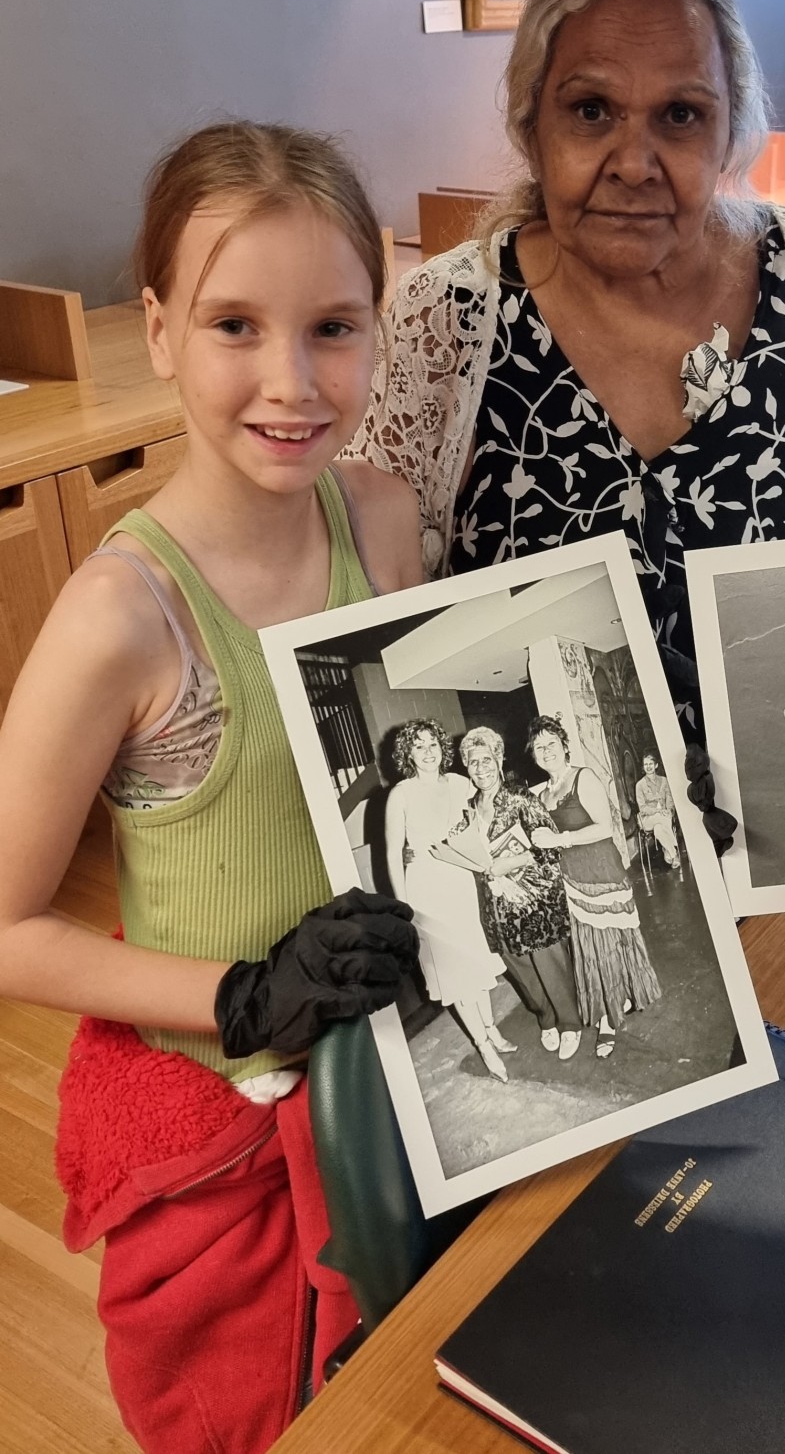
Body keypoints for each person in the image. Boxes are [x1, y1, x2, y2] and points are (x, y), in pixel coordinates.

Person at [0, 121, 425, 1454]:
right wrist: (243, 996)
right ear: (160, 330)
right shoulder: (120, 616)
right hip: (221, 1138)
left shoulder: (387, 517)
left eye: (335, 327)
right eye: (234, 323)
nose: (291, 381)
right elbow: (5, 923)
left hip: (397, 1086)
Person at [348, 0, 785, 740]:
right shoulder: (450, 316)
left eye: (681, 115)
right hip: (541, 825)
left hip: (780, 808)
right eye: (591, 110)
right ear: (531, 127)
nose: (634, 160)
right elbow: (375, 602)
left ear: (731, 126)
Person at [382, 719, 513, 1082]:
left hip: (462, 882)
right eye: (418, 746)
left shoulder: (459, 783)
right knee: (454, 973)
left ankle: (492, 1030)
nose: (428, 752)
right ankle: (483, 1045)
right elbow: (394, 853)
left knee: (475, 962)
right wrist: (403, 906)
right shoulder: (401, 794)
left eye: (433, 744)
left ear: (442, 747)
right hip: (426, 888)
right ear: (408, 753)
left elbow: (483, 817)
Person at [526, 715, 660, 1059]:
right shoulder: (542, 793)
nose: (546, 751)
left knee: (606, 944)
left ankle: (608, 1022)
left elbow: (605, 827)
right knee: (589, 947)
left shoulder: (582, 777)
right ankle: (614, 1001)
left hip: (600, 872)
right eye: (539, 747)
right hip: (570, 878)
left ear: (564, 746)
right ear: (534, 755)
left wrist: (560, 839)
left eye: (551, 744)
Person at [457, 726, 581, 1059]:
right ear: (465, 768)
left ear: (499, 760)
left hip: (534, 901)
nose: (481, 768)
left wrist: (509, 862)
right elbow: (461, 852)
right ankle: (547, 1018)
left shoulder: (520, 798)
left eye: (487, 759)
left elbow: (549, 849)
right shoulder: (467, 810)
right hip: (498, 906)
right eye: (473, 762)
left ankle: (570, 1023)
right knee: (522, 970)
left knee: (550, 966)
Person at [635, 751, 680, 869]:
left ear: (656, 765)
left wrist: (669, 810)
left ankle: (670, 851)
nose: (648, 767)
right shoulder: (639, 785)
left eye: (651, 764)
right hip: (647, 819)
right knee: (662, 818)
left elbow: (669, 800)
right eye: (646, 764)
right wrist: (658, 811)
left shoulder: (664, 781)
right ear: (643, 767)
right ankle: (675, 848)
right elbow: (642, 808)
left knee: (658, 829)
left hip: (664, 817)